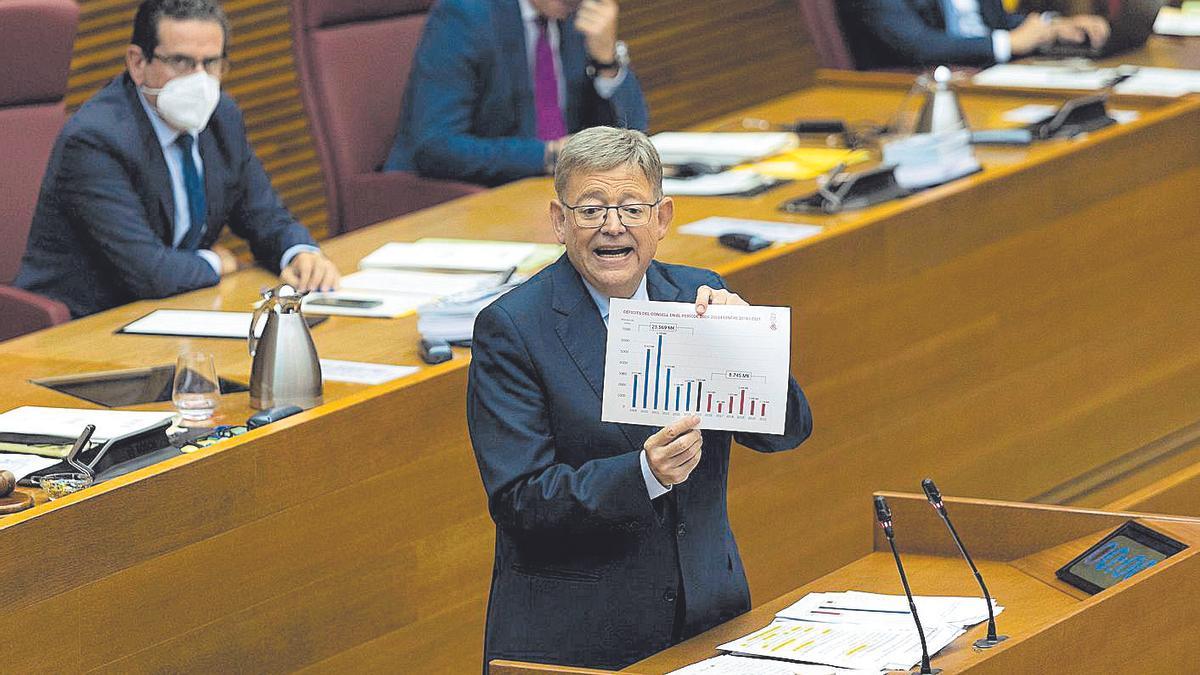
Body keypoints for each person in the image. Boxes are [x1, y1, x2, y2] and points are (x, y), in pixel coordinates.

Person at [466, 127, 813, 669]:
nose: (612, 227)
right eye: (590, 210)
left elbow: (787, 432)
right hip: (577, 638)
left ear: (662, 219)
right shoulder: (513, 328)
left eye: (631, 208)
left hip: (707, 616)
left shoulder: (699, 294)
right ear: (560, 221)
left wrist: (746, 344)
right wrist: (643, 473)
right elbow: (521, 499)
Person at [15, 0, 339, 318]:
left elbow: (265, 215)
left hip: (174, 314)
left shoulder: (221, 118)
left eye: (211, 63)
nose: (200, 80)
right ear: (137, 63)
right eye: (182, 62)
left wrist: (299, 254)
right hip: (84, 330)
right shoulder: (95, 140)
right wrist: (216, 263)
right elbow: (150, 273)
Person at [384, 0, 648, 187]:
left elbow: (634, 130)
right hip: (459, 198)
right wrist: (549, 155)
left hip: (554, 191)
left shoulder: (578, 18)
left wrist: (607, 62)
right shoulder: (466, 14)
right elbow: (436, 147)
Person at [839, 0, 1111, 69]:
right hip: (921, 90)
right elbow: (918, 45)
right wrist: (1007, 43)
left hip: (992, 75)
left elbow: (996, 21)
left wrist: (1052, 26)